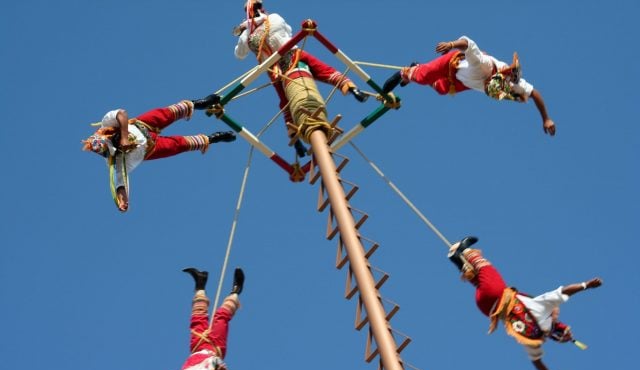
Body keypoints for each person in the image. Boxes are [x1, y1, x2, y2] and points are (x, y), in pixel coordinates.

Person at [447, 236, 602, 370]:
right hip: (486, 308)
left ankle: (465, 249)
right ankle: (457, 259)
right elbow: (537, 363)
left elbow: (565, 291)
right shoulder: (534, 338)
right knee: (479, 278)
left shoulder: (543, 307)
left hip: (497, 295)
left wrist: (586, 285)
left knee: (485, 268)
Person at [233, 0, 368, 156]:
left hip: (282, 63)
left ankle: (352, 90)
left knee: (287, 100)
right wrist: (247, 28)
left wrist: (245, 28)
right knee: (319, 74)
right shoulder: (265, 23)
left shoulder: (253, 31)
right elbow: (286, 31)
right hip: (282, 64)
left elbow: (240, 53)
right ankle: (353, 90)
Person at [82, 95, 236, 212]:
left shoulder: (107, 124)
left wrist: (122, 137)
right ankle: (213, 138)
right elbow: (120, 183)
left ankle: (199, 104)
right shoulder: (116, 161)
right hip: (151, 149)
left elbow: (121, 114)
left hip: (143, 125)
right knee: (179, 145)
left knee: (166, 113)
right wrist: (122, 200)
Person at [382, 36, 556, 136]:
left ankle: (417, 67)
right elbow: (467, 43)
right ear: (492, 78)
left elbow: (535, 94)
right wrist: (451, 45)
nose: (486, 87)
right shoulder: (483, 64)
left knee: (442, 89)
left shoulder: (514, 84)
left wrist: (546, 118)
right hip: (452, 64)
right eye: (488, 85)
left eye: (488, 89)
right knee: (422, 77)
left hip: (461, 81)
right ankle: (404, 73)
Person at [150, 267, 245, 370]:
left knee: (197, 317)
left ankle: (200, 283)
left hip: (197, 347)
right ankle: (236, 290)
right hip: (214, 348)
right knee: (221, 317)